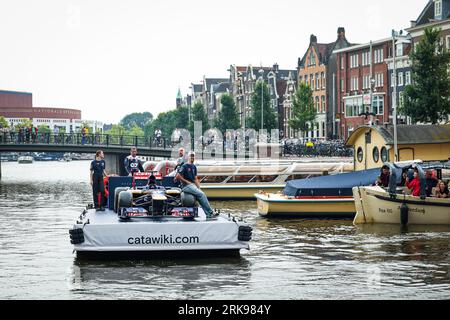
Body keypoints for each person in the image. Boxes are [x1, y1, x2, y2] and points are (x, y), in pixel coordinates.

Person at [176, 151, 215, 218]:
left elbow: (195, 179)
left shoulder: (194, 167)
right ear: (188, 157)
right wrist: (186, 181)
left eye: (193, 156)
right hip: (186, 186)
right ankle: (210, 213)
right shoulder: (185, 166)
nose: (192, 157)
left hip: (192, 185)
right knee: (202, 194)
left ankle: (208, 214)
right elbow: (178, 176)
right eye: (191, 156)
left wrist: (199, 188)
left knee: (200, 195)